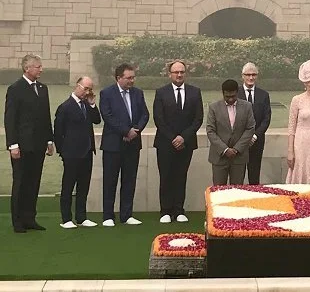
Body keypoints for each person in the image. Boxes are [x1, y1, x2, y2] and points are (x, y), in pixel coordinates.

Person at [4, 54, 54, 233]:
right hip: (22, 146)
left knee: (34, 182)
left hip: (39, 145)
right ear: (27, 68)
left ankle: (30, 218)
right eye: (38, 66)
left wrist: (49, 140)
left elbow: (46, 116)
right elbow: (10, 119)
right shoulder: (15, 89)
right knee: (21, 182)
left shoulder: (43, 88)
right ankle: (18, 221)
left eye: (41, 66)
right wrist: (13, 144)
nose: (41, 69)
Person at [153, 60, 203, 224]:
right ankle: (165, 211)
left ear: (185, 73)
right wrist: (173, 137)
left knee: (181, 176)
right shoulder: (161, 93)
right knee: (166, 176)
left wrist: (183, 137)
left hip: (186, 143)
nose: (179, 75)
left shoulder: (195, 92)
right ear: (170, 74)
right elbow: (158, 119)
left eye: (182, 72)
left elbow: (198, 119)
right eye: (176, 72)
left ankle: (179, 210)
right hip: (165, 143)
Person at [99, 63, 149, 227]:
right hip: (113, 144)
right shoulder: (107, 93)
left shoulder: (138, 93)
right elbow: (107, 115)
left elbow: (144, 114)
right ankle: (108, 216)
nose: (131, 81)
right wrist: (125, 131)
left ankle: (126, 214)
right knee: (110, 180)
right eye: (128, 78)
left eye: (133, 77)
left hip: (133, 144)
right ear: (118, 78)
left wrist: (136, 130)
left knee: (129, 180)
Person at [54, 76, 101, 229]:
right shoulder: (65, 107)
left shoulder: (87, 105)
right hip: (71, 154)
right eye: (85, 88)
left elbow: (97, 120)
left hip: (87, 151)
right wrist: (63, 152)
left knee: (83, 186)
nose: (87, 92)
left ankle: (81, 217)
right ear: (77, 86)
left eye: (90, 89)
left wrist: (93, 104)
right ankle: (66, 218)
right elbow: (58, 132)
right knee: (68, 186)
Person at [206, 79, 255, 185]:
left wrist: (237, 149)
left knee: (236, 192)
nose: (231, 99)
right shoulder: (214, 107)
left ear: (237, 92)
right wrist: (225, 149)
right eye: (227, 97)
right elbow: (210, 130)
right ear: (223, 93)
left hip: (239, 157)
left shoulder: (247, 106)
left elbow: (250, 128)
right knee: (219, 192)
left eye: (233, 96)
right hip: (219, 157)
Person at [237, 62, 271, 184]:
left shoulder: (264, 95)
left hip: (257, 141)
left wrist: (255, 136)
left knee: (254, 176)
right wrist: (245, 137)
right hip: (238, 142)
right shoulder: (235, 94)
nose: (251, 78)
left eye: (253, 75)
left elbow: (266, 119)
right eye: (248, 75)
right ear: (242, 76)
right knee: (237, 177)